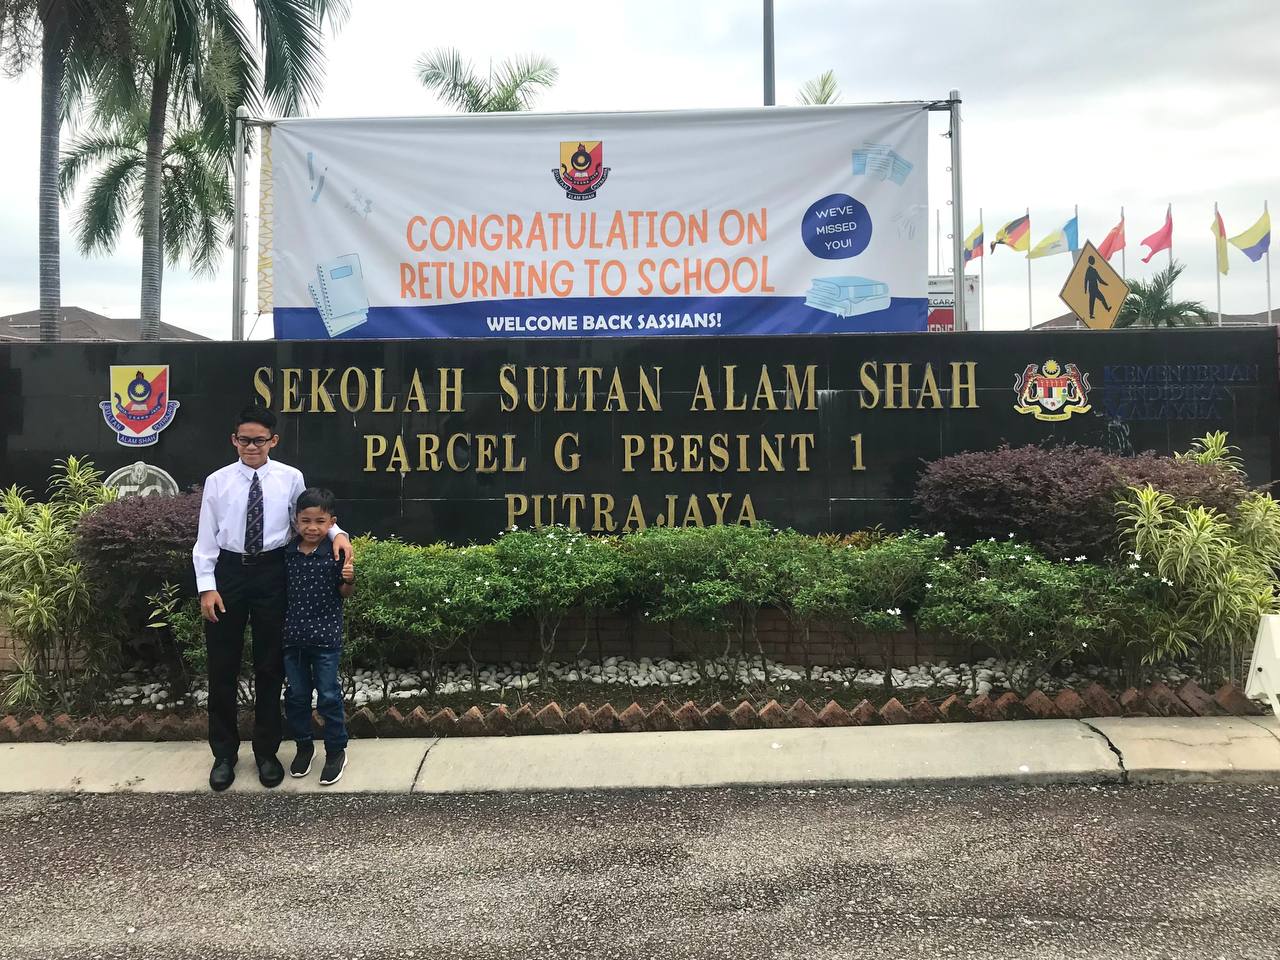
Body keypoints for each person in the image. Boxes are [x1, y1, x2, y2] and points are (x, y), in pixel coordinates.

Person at [193, 404, 352, 792]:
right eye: (244, 440)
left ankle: (266, 752)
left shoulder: (290, 477)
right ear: (234, 440)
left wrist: (339, 535)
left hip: (273, 572)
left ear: (273, 440)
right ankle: (224, 755)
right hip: (229, 573)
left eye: (259, 440)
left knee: (270, 667)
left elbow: (311, 515)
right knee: (223, 667)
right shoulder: (217, 481)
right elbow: (206, 537)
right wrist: (207, 586)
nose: (251, 446)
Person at [283, 487, 355, 786]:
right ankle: (304, 746)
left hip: (326, 640)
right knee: (296, 696)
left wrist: (349, 579)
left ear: (331, 522)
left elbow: (345, 593)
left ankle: (336, 751)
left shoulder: (336, 553)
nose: (312, 527)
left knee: (328, 696)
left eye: (320, 521)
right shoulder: (287, 553)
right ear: (296, 521)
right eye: (306, 521)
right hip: (293, 639)